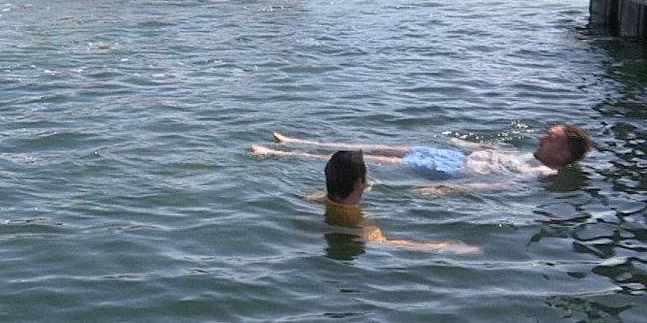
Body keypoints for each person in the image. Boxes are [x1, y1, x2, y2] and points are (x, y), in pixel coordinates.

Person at [253, 123, 593, 187]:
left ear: (562, 154)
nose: (542, 135)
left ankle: (275, 154)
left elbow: (499, 186)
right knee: (378, 146)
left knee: (374, 161)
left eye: (550, 137)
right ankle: (297, 141)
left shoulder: (545, 174)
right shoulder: (531, 157)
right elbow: (498, 159)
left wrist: (450, 190)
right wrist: (473, 147)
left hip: (452, 173)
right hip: (450, 157)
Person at [305, 151, 479, 254]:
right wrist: (445, 247)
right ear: (360, 183)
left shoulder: (318, 198)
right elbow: (385, 243)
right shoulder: (359, 220)